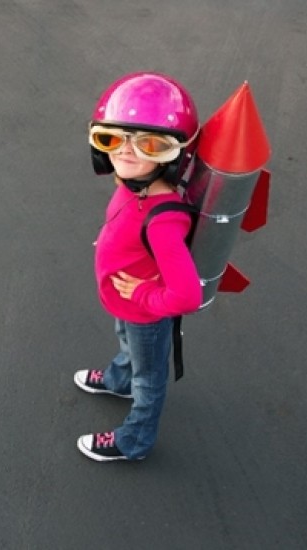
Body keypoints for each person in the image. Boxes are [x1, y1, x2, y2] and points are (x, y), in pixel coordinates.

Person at [75, 72, 204, 462]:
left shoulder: (164, 219)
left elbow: (187, 295)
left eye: (148, 143)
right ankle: (118, 380)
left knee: (149, 379)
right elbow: (126, 224)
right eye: (111, 139)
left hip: (146, 313)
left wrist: (145, 294)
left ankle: (135, 441)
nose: (126, 152)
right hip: (127, 304)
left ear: (173, 154)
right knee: (126, 344)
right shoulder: (133, 186)